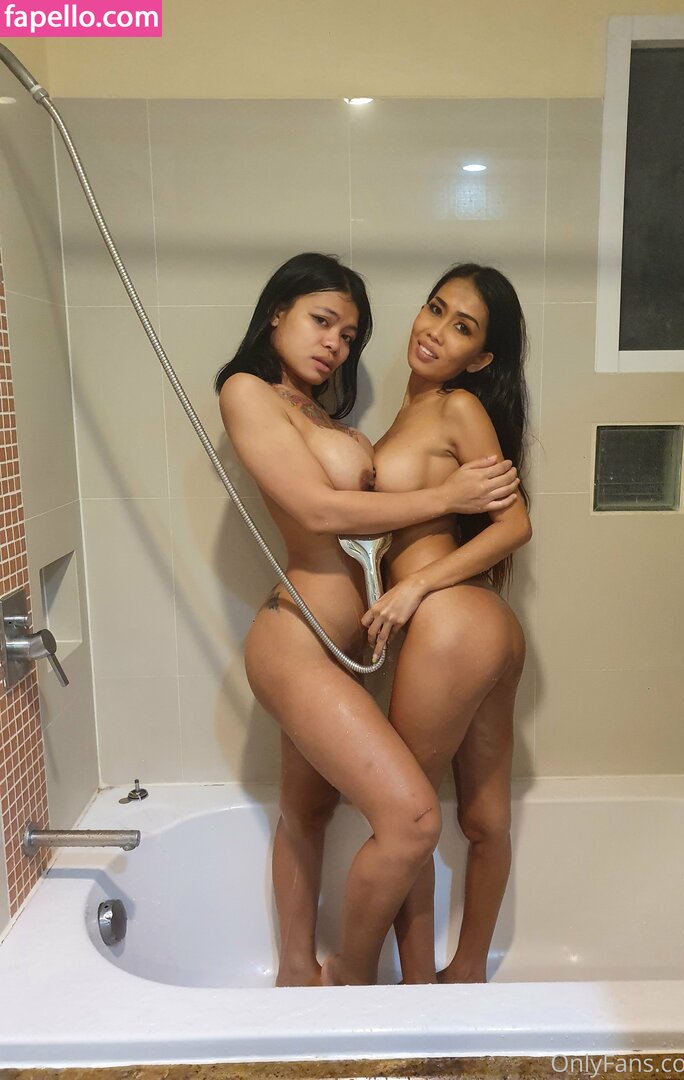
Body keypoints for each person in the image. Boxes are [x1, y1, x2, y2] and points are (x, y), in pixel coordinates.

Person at [215, 253, 520, 987]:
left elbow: (504, 521)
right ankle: (343, 980)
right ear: (277, 311)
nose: (334, 344)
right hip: (296, 637)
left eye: (349, 336)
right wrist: (445, 497)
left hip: (342, 650)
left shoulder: (325, 415)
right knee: (412, 818)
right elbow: (320, 511)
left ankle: (296, 973)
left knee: (307, 813)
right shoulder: (247, 390)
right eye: (322, 321)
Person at [363, 264, 532, 983]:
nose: (434, 331)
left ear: (481, 357)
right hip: (482, 625)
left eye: (461, 327)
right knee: (484, 820)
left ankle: (421, 992)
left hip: (451, 621)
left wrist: (414, 588)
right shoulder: (409, 414)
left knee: (408, 818)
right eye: (435, 308)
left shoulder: (456, 407)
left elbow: (515, 524)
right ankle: (463, 975)